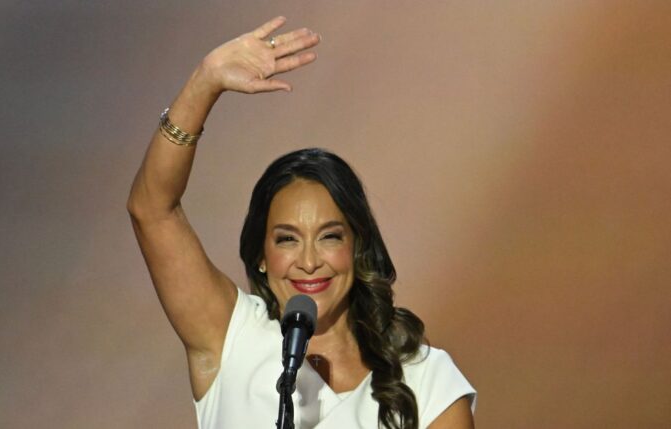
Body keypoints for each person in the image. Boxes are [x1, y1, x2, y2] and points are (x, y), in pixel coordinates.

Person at [128, 16, 476, 429]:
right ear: (261, 254)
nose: (309, 262)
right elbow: (152, 209)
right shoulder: (231, 338)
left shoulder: (426, 382)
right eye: (287, 240)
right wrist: (205, 82)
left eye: (329, 237)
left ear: (356, 245)